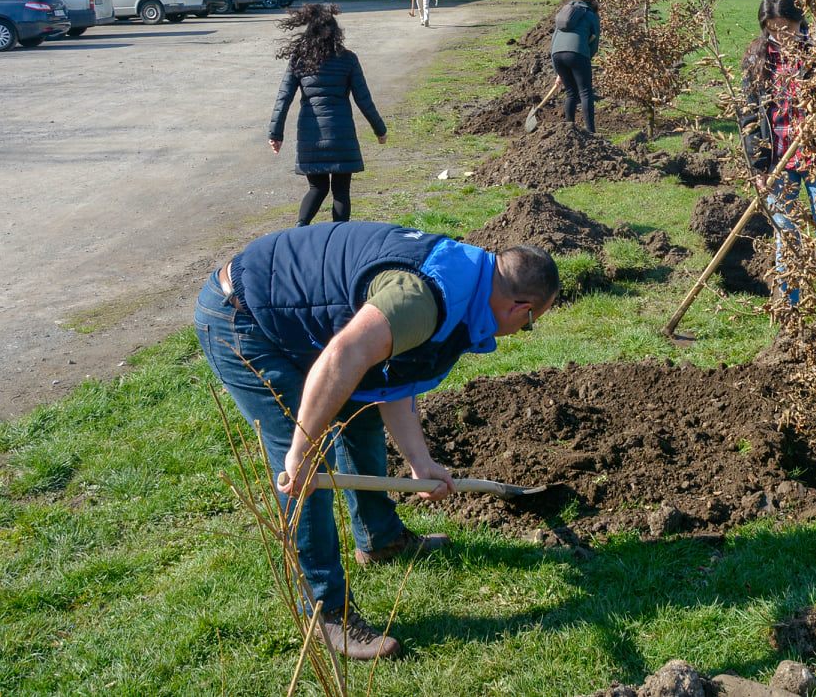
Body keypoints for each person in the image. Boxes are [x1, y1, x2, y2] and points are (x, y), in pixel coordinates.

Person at [195, 221, 559, 660]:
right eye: (529, 326)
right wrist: (301, 449)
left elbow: (394, 374)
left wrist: (420, 462)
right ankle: (325, 614)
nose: (523, 331)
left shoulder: (467, 277)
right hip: (246, 316)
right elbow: (344, 354)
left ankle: (379, 537)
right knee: (309, 464)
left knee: (360, 409)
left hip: (296, 313)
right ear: (521, 309)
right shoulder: (425, 298)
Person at [741, 0, 816, 303]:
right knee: (786, 236)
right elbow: (751, 117)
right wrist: (757, 167)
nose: (780, 35)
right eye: (772, 28)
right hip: (778, 161)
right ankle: (789, 308)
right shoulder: (758, 56)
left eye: (787, 28)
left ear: (800, 21)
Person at [269, 4, 387, 227]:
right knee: (341, 191)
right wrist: (380, 130)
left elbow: (283, 98)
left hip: (310, 135)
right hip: (341, 135)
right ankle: (338, 238)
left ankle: (300, 230)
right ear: (335, 31)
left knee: (317, 188)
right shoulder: (348, 59)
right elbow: (364, 99)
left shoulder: (299, 59)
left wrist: (276, 133)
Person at [549, 0, 601, 134]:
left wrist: (558, 71)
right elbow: (594, 42)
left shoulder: (565, 13)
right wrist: (586, 57)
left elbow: (553, 40)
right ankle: (591, 132)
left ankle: (569, 129)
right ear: (592, 4)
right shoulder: (590, 14)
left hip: (557, 54)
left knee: (571, 93)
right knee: (585, 93)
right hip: (577, 53)